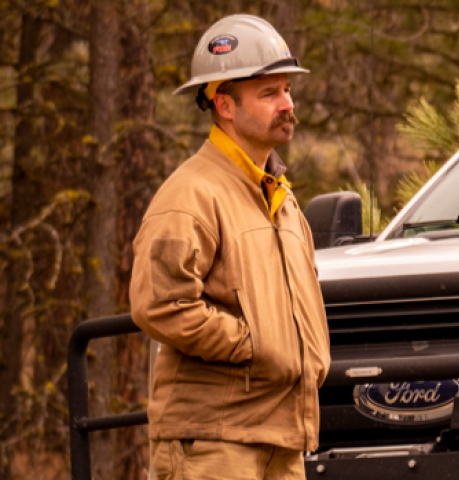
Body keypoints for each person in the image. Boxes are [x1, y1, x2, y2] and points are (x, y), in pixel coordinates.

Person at [130, 14, 330, 480]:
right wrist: (251, 343)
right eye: (269, 93)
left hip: (281, 438)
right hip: (215, 444)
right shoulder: (191, 194)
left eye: (287, 90)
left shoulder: (279, 195)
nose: (287, 104)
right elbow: (159, 304)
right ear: (224, 104)